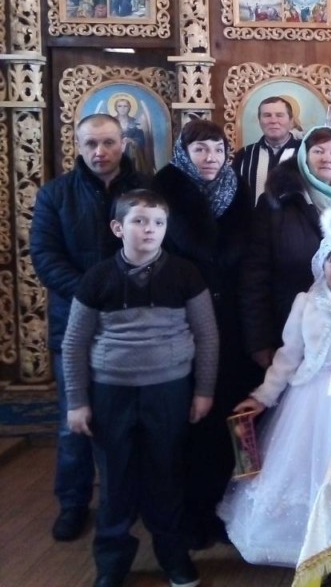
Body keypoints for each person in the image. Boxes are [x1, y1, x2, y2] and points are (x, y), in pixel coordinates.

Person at [62, 189, 218, 587]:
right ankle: (112, 562)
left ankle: (173, 556)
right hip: (110, 393)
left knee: (166, 475)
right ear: (118, 228)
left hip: (168, 391)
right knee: (115, 480)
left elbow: (207, 335)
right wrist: (77, 401)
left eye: (158, 222)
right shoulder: (97, 278)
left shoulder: (185, 274)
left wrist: (203, 390)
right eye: (139, 221)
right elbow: (75, 342)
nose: (149, 229)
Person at [219, 205, 331, 567]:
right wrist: (263, 396)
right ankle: (303, 543)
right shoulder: (305, 303)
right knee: (301, 469)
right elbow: (288, 355)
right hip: (310, 397)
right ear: (322, 265)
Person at [29, 114, 148, 544]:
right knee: (74, 421)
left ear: (123, 143)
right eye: (91, 144)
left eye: (108, 142)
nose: (100, 152)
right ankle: (73, 502)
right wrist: (93, 293)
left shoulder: (144, 191)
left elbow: (159, 244)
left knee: (135, 419)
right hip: (75, 324)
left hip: (134, 323)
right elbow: (45, 256)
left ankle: (134, 499)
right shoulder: (55, 194)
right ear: (78, 146)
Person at [151, 119, 262, 550]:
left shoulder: (238, 191)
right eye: (200, 150)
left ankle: (231, 510)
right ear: (184, 153)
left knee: (234, 419)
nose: (210, 158)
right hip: (184, 322)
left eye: (217, 149)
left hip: (234, 323)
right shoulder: (165, 191)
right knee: (191, 420)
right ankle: (187, 515)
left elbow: (251, 258)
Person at [240, 125, 331, 368]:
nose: (327, 158)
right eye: (318, 151)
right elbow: (255, 273)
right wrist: (259, 340)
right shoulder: (277, 201)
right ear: (304, 157)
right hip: (288, 328)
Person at [232, 95, 303, 205]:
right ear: (260, 120)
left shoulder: (305, 153)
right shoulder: (244, 155)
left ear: (291, 120)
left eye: (279, 115)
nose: (273, 121)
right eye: (267, 115)